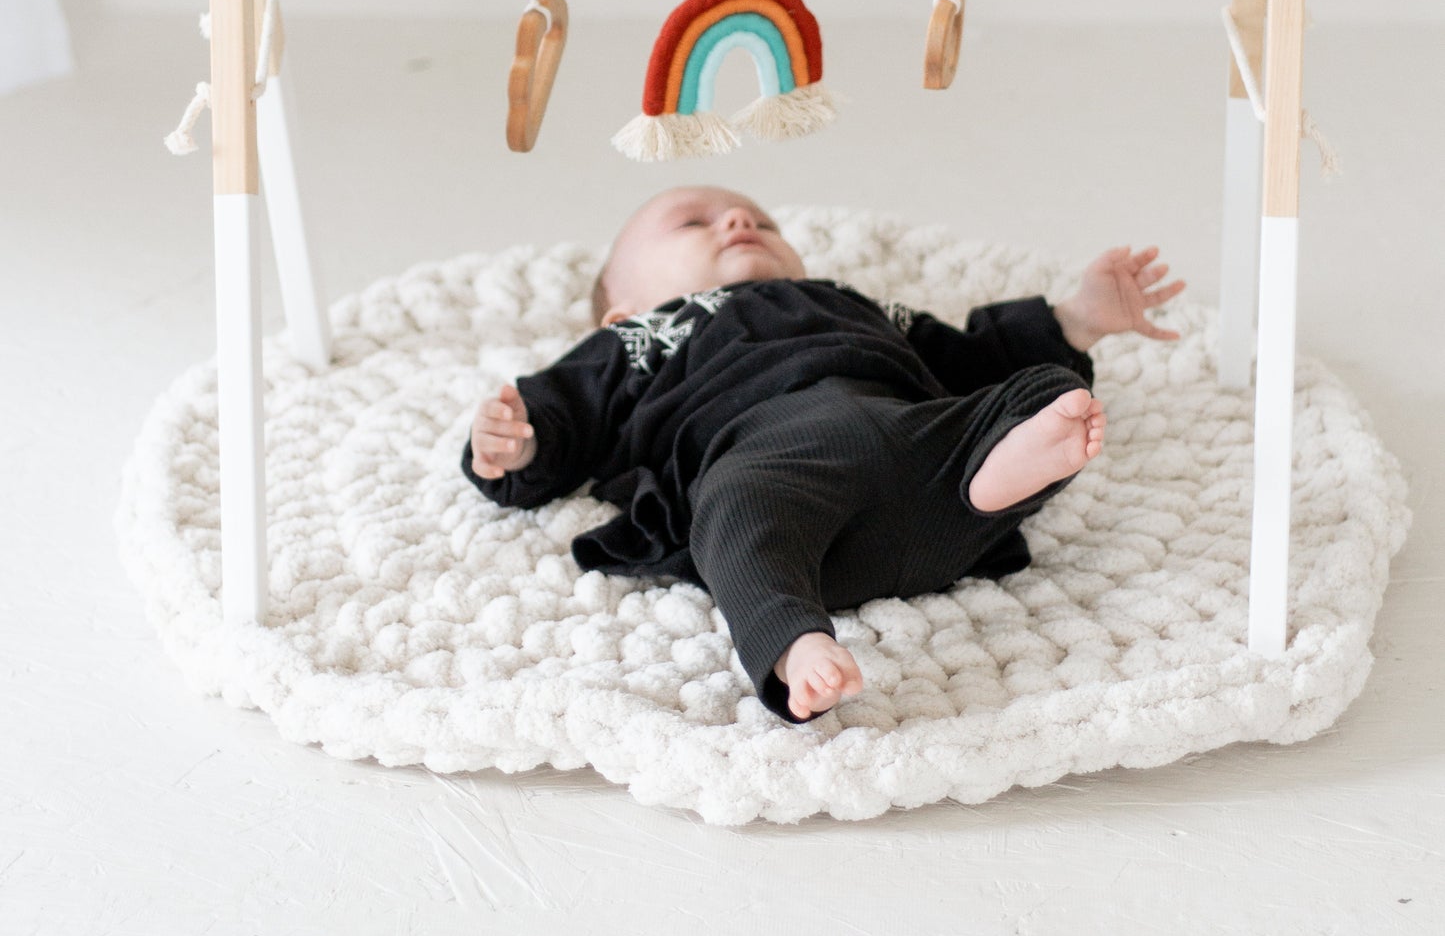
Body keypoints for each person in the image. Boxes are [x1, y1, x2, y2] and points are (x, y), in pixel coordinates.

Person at [461, 188, 1185, 723]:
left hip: (912, 439)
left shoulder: (845, 301)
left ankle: (990, 475)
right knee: (733, 518)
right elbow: (563, 412)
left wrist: (1079, 318)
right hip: (764, 463)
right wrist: (514, 444)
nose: (739, 222)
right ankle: (794, 642)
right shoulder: (645, 337)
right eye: (692, 223)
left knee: (1043, 391)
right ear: (620, 308)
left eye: (760, 221)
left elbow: (972, 355)